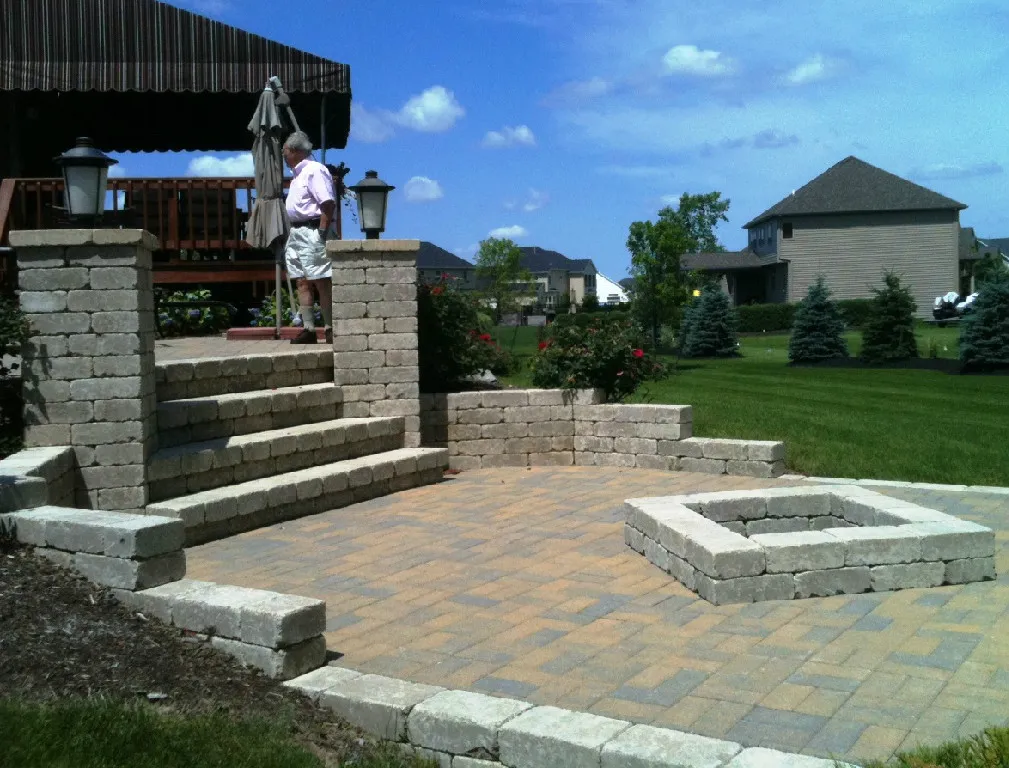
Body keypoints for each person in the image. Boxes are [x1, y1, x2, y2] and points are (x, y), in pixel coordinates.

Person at [282, 131, 336, 344]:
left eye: (285, 151)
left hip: (313, 232)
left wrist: (322, 232)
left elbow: (327, 203)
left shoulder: (314, 170)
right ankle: (309, 329)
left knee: (322, 280)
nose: (284, 155)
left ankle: (330, 328)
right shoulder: (297, 175)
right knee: (301, 281)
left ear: (294, 150)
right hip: (296, 233)